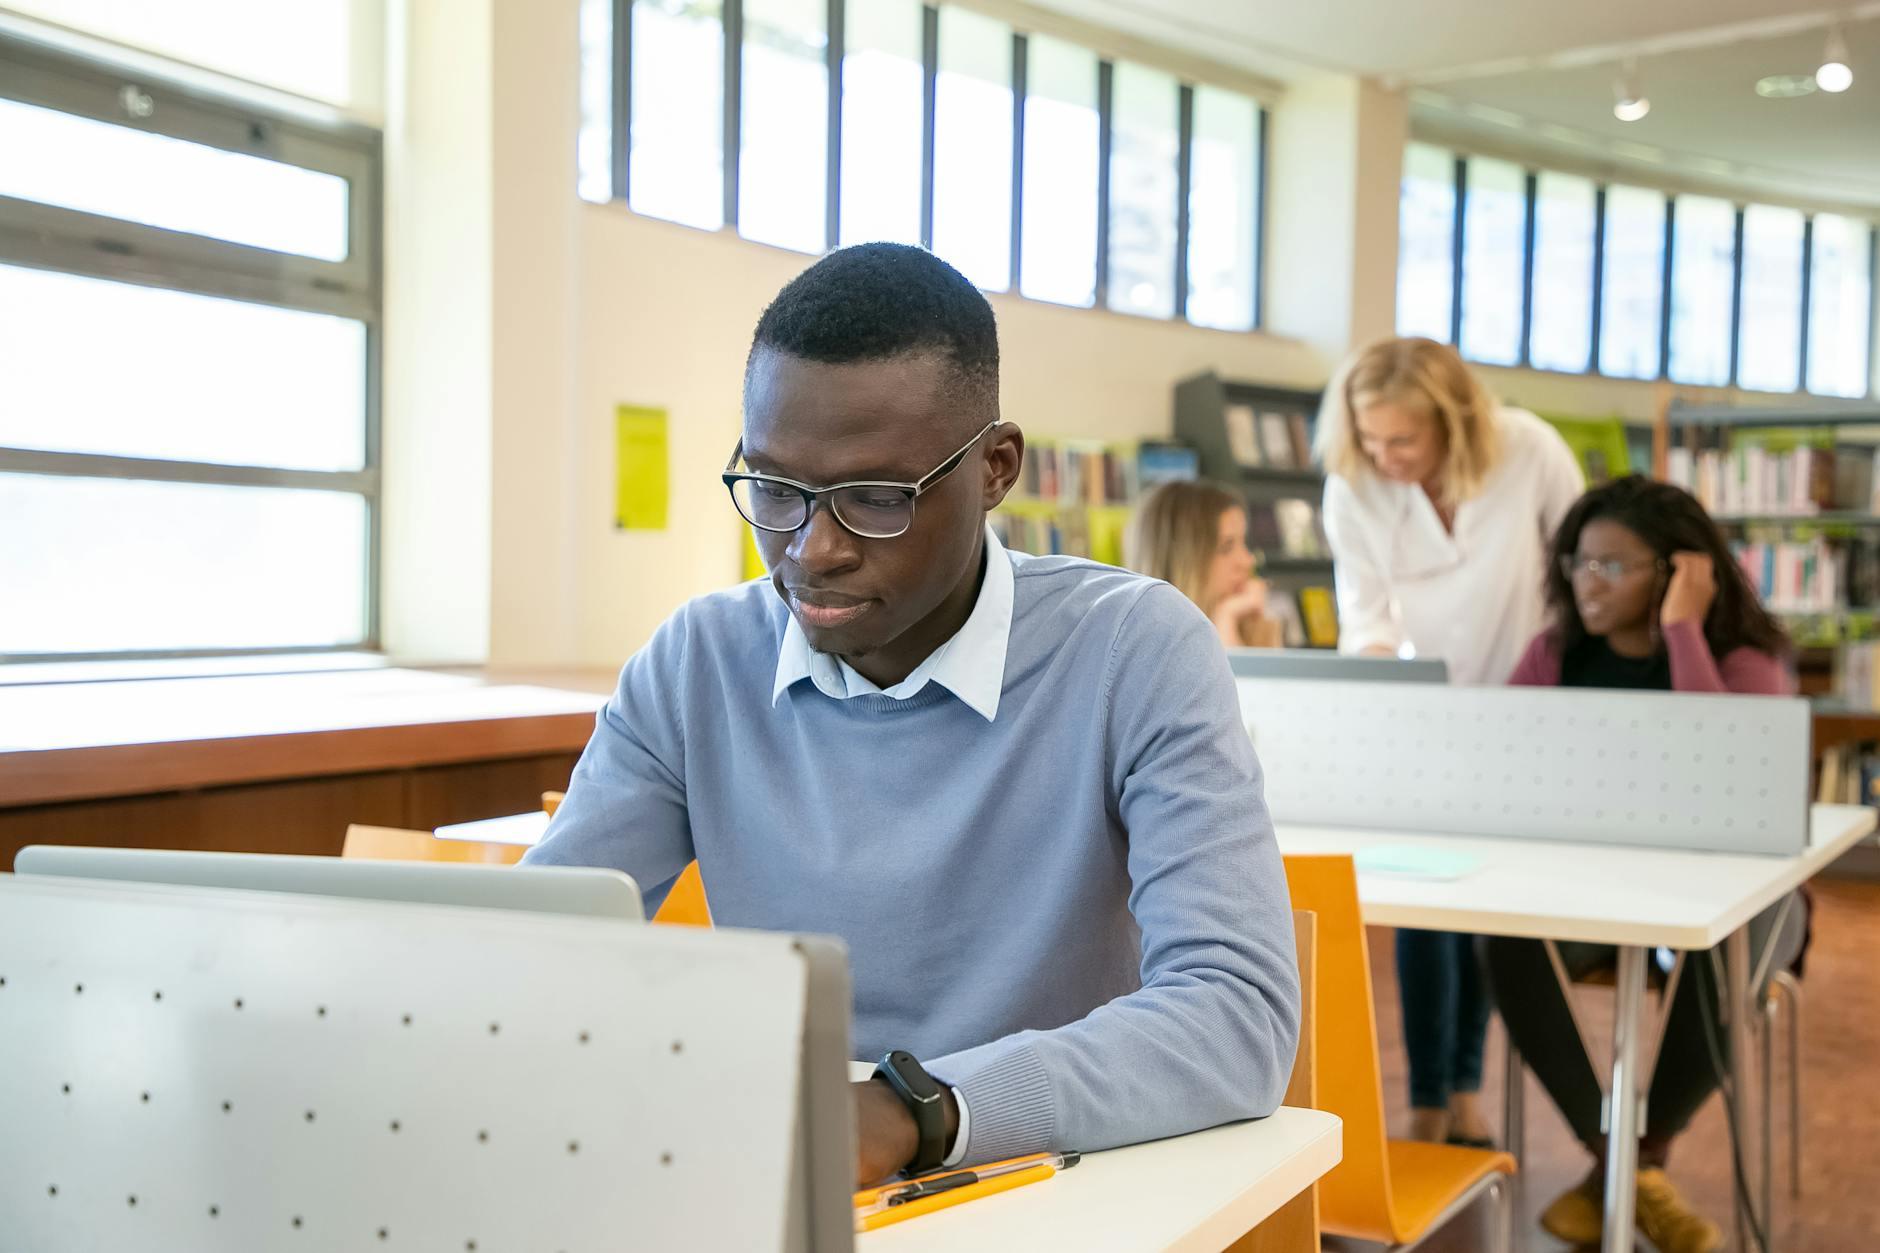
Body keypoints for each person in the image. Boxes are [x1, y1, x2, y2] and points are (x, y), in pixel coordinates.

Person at [523, 243, 1300, 1186]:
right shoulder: (696, 662)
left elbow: (1236, 1015)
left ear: (995, 468)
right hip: (787, 1181)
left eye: (875, 498)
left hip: (1066, 1190)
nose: (813, 549)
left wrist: (912, 1112)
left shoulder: (1134, 651)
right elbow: (540, 952)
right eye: (773, 489)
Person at [1484, 474, 1800, 1253]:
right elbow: (1498, 758)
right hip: (1592, 896)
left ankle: (1624, 1169)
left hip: (1734, 898)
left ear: (1677, 570)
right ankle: (1630, 1166)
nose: (1588, 582)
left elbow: (1728, 777)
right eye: (1578, 563)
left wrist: (1684, 632)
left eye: (1613, 565)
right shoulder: (1554, 655)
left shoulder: (1744, 661)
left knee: (1729, 938)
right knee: (1502, 936)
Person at [1315, 335, 1585, 1147]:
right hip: (1421, 728)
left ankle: (1468, 1091)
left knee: (1489, 915)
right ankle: (1429, 1100)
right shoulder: (1353, 490)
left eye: (1404, 439)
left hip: (1528, 719)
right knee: (1429, 915)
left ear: (1455, 424)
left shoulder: (1529, 450)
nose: (1384, 455)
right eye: (1371, 437)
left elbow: (1581, 570)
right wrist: (1377, 701)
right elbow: (1366, 623)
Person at [1124, 480, 1284, 648]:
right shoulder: (1148, 652)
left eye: (1244, 543)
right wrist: (1225, 623)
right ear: (1182, 560)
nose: (1248, 560)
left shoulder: (1256, 627)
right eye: (1226, 547)